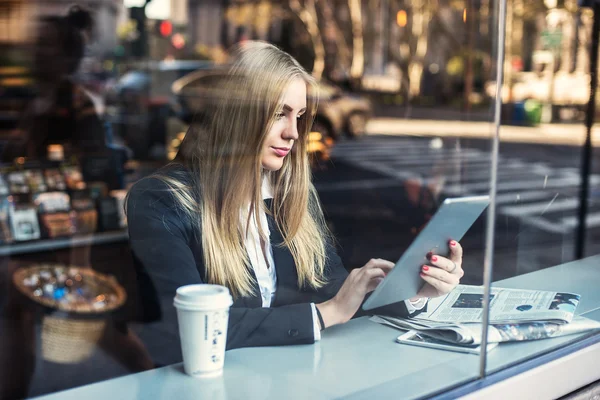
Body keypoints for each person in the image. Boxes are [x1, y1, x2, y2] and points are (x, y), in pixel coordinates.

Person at [126, 41, 465, 352]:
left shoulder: (289, 192)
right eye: (278, 113)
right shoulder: (163, 200)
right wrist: (324, 314)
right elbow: (191, 327)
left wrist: (416, 293)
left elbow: (332, 292)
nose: (293, 133)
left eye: (299, 116)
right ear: (239, 116)